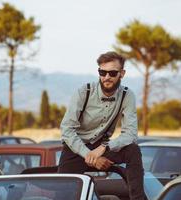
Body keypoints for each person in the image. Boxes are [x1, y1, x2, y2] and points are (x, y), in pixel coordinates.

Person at [58, 51, 145, 200]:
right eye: (102, 72)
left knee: (133, 151)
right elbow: (66, 130)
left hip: (102, 147)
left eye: (112, 73)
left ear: (122, 73)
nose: (106, 77)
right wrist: (90, 156)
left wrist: (104, 148)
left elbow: (131, 134)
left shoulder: (127, 95)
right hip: (75, 148)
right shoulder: (83, 92)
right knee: (64, 193)